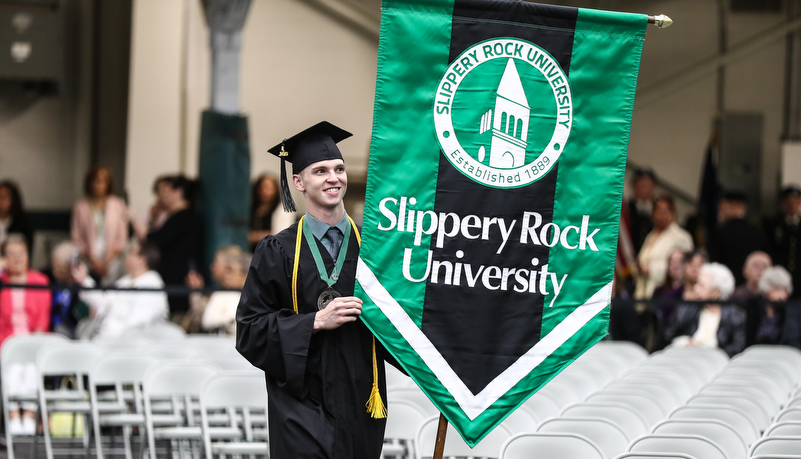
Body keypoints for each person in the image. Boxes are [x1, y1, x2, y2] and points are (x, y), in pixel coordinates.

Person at [236, 121, 394, 458]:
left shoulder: (374, 248)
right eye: (320, 171)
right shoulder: (278, 250)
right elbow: (249, 330)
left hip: (360, 397)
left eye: (338, 168)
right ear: (298, 182)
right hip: (299, 403)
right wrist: (314, 323)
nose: (333, 177)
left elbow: (402, 322)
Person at [131, 174, 202, 320]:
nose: (160, 196)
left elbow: (154, 240)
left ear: (179, 192)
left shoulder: (185, 217)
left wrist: (135, 219)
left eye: (164, 191)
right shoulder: (172, 217)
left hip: (179, 282)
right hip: (171, 278)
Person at [0, 234, 51, 435]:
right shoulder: (2, 282)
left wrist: (31, 344)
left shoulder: (40, 281)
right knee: (11, 366)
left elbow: (42, 320)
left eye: (21, 253)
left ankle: (28, 415)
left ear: (28, 255)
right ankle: (14, 415)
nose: (17, 259)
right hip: (6, 341)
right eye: (11, 255)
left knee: (30, 366)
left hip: (33, 339)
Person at [73, 241, 168, 340]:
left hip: (129, 345)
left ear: (142, 260)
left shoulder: (152, 285)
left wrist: (110, 335)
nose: (127, 256)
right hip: (107, 340)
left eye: (132, 253)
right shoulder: (125, 281)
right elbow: (104, 303)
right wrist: (84, 280)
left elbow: (138, 323)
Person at [662, 262, 746, 357]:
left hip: (717, 363)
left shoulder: (735, 315)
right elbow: (667, 335)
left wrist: (709, 351)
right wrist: (685, 342)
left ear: (716, 292)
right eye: (697, 283)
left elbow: (737, 348)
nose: (695, 288)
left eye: (701, 285)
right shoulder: (687, 308)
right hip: (685, 357)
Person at [71, 166, 129, 285]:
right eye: (96, 180)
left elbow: (122, 237)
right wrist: (92, 261)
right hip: (88, 257)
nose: (99, 184)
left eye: (103, 181)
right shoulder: (81, 206)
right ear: (90, 182)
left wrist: (107, 260)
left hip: (113, 258)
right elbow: (76, 236)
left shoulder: (117, 205)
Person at [634, 194, 694, 299]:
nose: (662, 215)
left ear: (673, 213)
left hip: (666, 293)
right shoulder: (651, 235)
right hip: (643, 291)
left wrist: (650, 269)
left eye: (665, 211)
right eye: (658, 211)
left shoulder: (681, 237)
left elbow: (683, 268)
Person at [183, 244, 249, 334]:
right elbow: (206, 320)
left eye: (216, 262)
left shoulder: (256, 296)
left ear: (245, 275)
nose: (212, 267)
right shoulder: (221, 293)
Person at [708, 192, 768, 285]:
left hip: (726, 286)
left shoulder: (720, 232)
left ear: (733, 206)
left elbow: (714, 263)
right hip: (752, 287)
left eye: (722, 207)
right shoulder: (758, 231)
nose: (720, 211)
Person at [42, 241, 90, 338]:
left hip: (75, 334)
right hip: (50, 332)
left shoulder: (82, 285)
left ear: (73, 267)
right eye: (54, 267)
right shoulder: (47, 279)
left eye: (61, 268)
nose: (56, 272)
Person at [765, 185, 801, 298]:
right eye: (788, 201)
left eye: (795, 201)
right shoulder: (773, 223)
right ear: (783, 203)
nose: (792, 205)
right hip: (779, 276)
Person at [754, 266, 792, 345]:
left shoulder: (788, 310)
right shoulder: (755, 307)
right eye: (777, 289)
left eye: (784, 289)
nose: (781, 295)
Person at [0, 180, 34, 258]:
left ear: (13, 200)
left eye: (4, 197)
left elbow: (27, 250)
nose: (0, 201)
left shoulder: (22, 222)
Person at [627, 167, 656, 254]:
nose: (643, 187)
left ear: (653, 187)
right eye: (640, 183)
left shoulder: (657, 210)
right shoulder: (626, 209)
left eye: (647, 184)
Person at [249, 174, 281, 252]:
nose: (264, 191)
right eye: (262, 187)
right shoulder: (252, 208)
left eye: (269, 188)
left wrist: (255, 236)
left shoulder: (281, 209)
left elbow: (279, 235)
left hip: (272, 252)